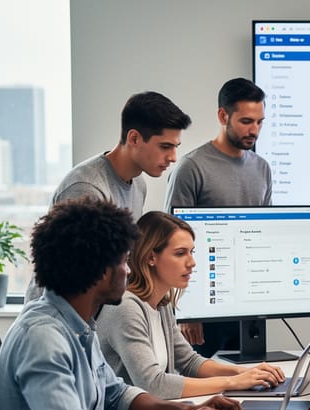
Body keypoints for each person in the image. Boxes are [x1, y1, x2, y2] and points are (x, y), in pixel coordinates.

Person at [0, 198, 248, 410]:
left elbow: (116, 395)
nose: (129, 270)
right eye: (125, 261)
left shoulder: (78, 324)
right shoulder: (44, 336)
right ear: (99, 270)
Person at [24, 91, 192, 303]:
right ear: (134, 138)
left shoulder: (138, 184)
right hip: (59, 318)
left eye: (175, 147)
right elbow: (76, 278)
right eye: (165, 147)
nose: (173, 157)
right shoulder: (87, 189)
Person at [97, 211, 285, 399]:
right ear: (150, 257)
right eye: (180, 253)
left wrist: (245, 373)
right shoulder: (126, 308)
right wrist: (233, 382)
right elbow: (153, 384)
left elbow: (189, 362)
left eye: (191, 252)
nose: (192, 262)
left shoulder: (161, 305)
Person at [164, 77, 273, 357]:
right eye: (246, 121)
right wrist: (186, 310)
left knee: (248, 383)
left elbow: (264, 236)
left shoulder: (262, 169)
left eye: (260, 122)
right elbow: (170, 243)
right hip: (205, 307)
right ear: (223, 115)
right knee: (204, 391)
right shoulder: (191, 168)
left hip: (248, 306)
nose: (255, 130)